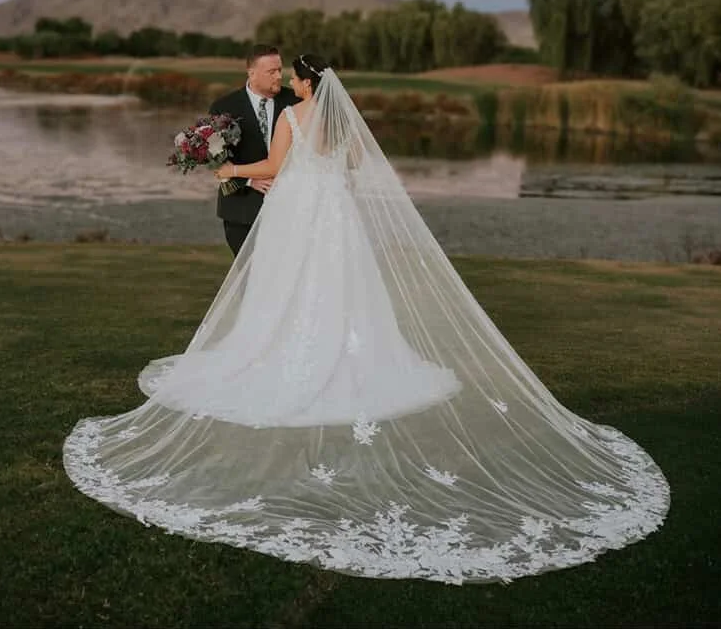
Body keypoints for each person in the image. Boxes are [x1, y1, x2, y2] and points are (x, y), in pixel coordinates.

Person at [63, 54, 670, 584]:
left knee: (288, 293)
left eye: (293, 76)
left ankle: (288, 359)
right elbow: (344, 169)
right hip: (335, 216)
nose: (289, 82)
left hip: (300, 214)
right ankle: (354, 354)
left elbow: (273, 170)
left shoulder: (297, 119)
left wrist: (227, 170)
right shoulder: (341, 128)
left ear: (305, 84)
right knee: (340, 291)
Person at [208, 44, 301, 256]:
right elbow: (215, 158)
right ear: (252, 73)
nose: (278, 76)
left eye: (280, 69)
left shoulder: (295, 102)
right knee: (250, 280)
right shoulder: (224, 107)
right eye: (272, 71)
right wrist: (250, 180)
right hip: (241, 210)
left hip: (289, 207)